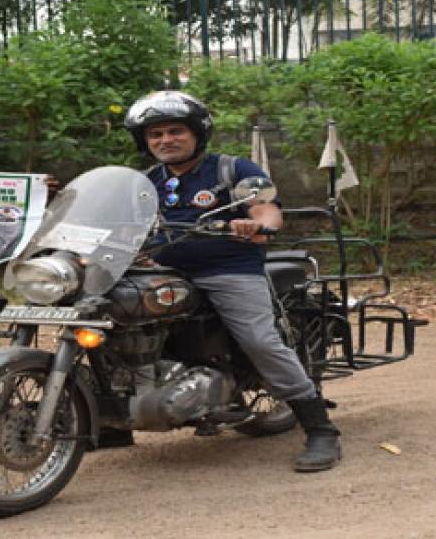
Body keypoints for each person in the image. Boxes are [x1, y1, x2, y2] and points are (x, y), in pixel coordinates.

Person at [121, 90, 341, 472]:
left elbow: (269, 213)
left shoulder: (233, 170)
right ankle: (108, 421)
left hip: (227, 270)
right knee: (104, 319)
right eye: (155, 134)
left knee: (259, 339)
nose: (165, 140)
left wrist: (255, 224)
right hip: (159, 272)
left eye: (175, 131)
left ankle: (320, 429)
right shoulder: (141, 183)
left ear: (197, 134)